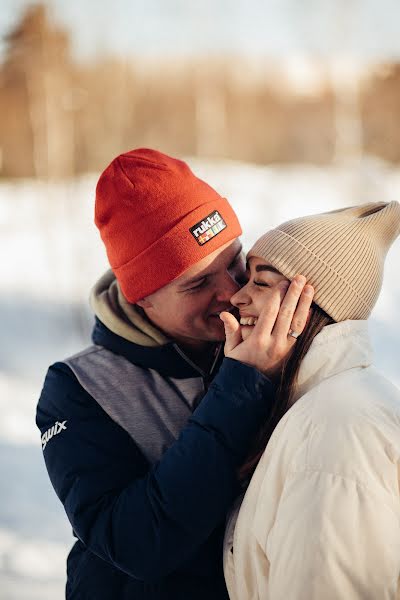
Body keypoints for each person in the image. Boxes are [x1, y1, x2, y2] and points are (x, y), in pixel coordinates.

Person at [36, 148, 313, 600]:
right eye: (197, 283)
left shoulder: (269, 339)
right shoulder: (78, 390)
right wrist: (240, 387)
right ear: (142, 298)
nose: (231, 291)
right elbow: (136, 545)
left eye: (234, 262)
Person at [221, 201, 400, 600]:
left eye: (261, 283)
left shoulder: (336, 429)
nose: (237, 298)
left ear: (312, 305)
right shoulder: (312, 407)